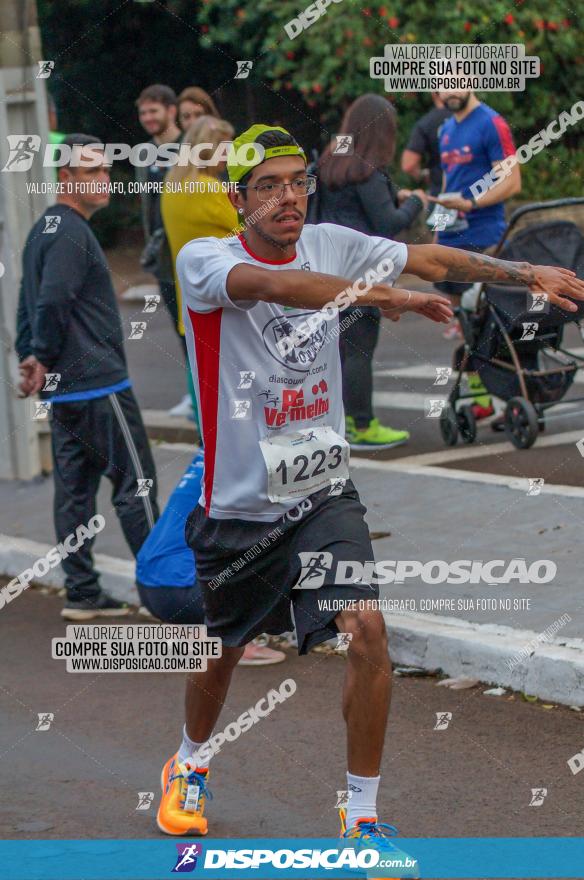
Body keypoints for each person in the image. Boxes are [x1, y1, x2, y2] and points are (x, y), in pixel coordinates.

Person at [155, 124, 583, 855]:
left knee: (368, 631)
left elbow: (431, 255)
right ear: (238, 200)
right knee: (223, 648)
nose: (288, 197)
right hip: (240, 506)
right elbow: (279, 286)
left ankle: (361, 814)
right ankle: (188, 763)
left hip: (322, 492)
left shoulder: (329, 239)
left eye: (296, 181)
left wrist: (522, 275)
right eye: (269, 187)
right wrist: (390, 297)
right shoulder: (207, 260)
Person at [16, 134, 159, 621]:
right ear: (67, 177)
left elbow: (26, 301)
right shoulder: (72, 231)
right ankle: (165, 594)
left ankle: (81, 592)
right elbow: (50, 301)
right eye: (94, 171)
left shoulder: (43, 229)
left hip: (66, 390)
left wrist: (32, 357)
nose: (105, 180)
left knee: (74, 490)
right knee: (136, 482)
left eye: (105, 170)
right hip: (100, 385)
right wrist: (39, 353)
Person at [314, 94, 428, 451]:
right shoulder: (368, 170)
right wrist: (415, 202)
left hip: (325, 265)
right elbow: (387, 224)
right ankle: (363, 425)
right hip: (361, 270)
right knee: (359, 349)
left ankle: (340, 418)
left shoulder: (329, 162)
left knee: (336, 349)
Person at [136, 449, 285, 666]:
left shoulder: (211, 451)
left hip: (149, 588)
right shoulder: (248, 458)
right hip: (184, 591)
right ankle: (237, 640)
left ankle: (194, 630)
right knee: (273, 540)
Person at [429, 88, 521, 414]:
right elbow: (447, 183)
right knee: (467, 329)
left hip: (485, 238)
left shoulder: (492, 123)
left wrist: (471, 203)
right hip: (451, 240)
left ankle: (510, 399)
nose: (449, 90)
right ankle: (481, 400)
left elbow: (512, 181)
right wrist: (438, 228)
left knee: (494, 323)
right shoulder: (446, 128)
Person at [160, 115, 238, 431]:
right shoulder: (207, 189)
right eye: (225, 149)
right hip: (222, 297)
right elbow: (249, 230)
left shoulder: (172, 184)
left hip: (189, 296)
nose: (231, 157)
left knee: (199, 374)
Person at [135, 84, 189, 417]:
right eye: (143, 112)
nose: (148, 118)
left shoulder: (189, 149)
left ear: (171, 111)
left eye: (153, 111)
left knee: (201, 327)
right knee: (179, 328)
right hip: (164, 260)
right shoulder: (145, 155)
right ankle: (193, 392)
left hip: (191, 250)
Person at [400, 93, 451, 197]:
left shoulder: (426, 123)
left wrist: (422, 175)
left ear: (433, 93)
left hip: (440, 194)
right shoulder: (471, 118)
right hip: (475, 192)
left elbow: (408, 164)